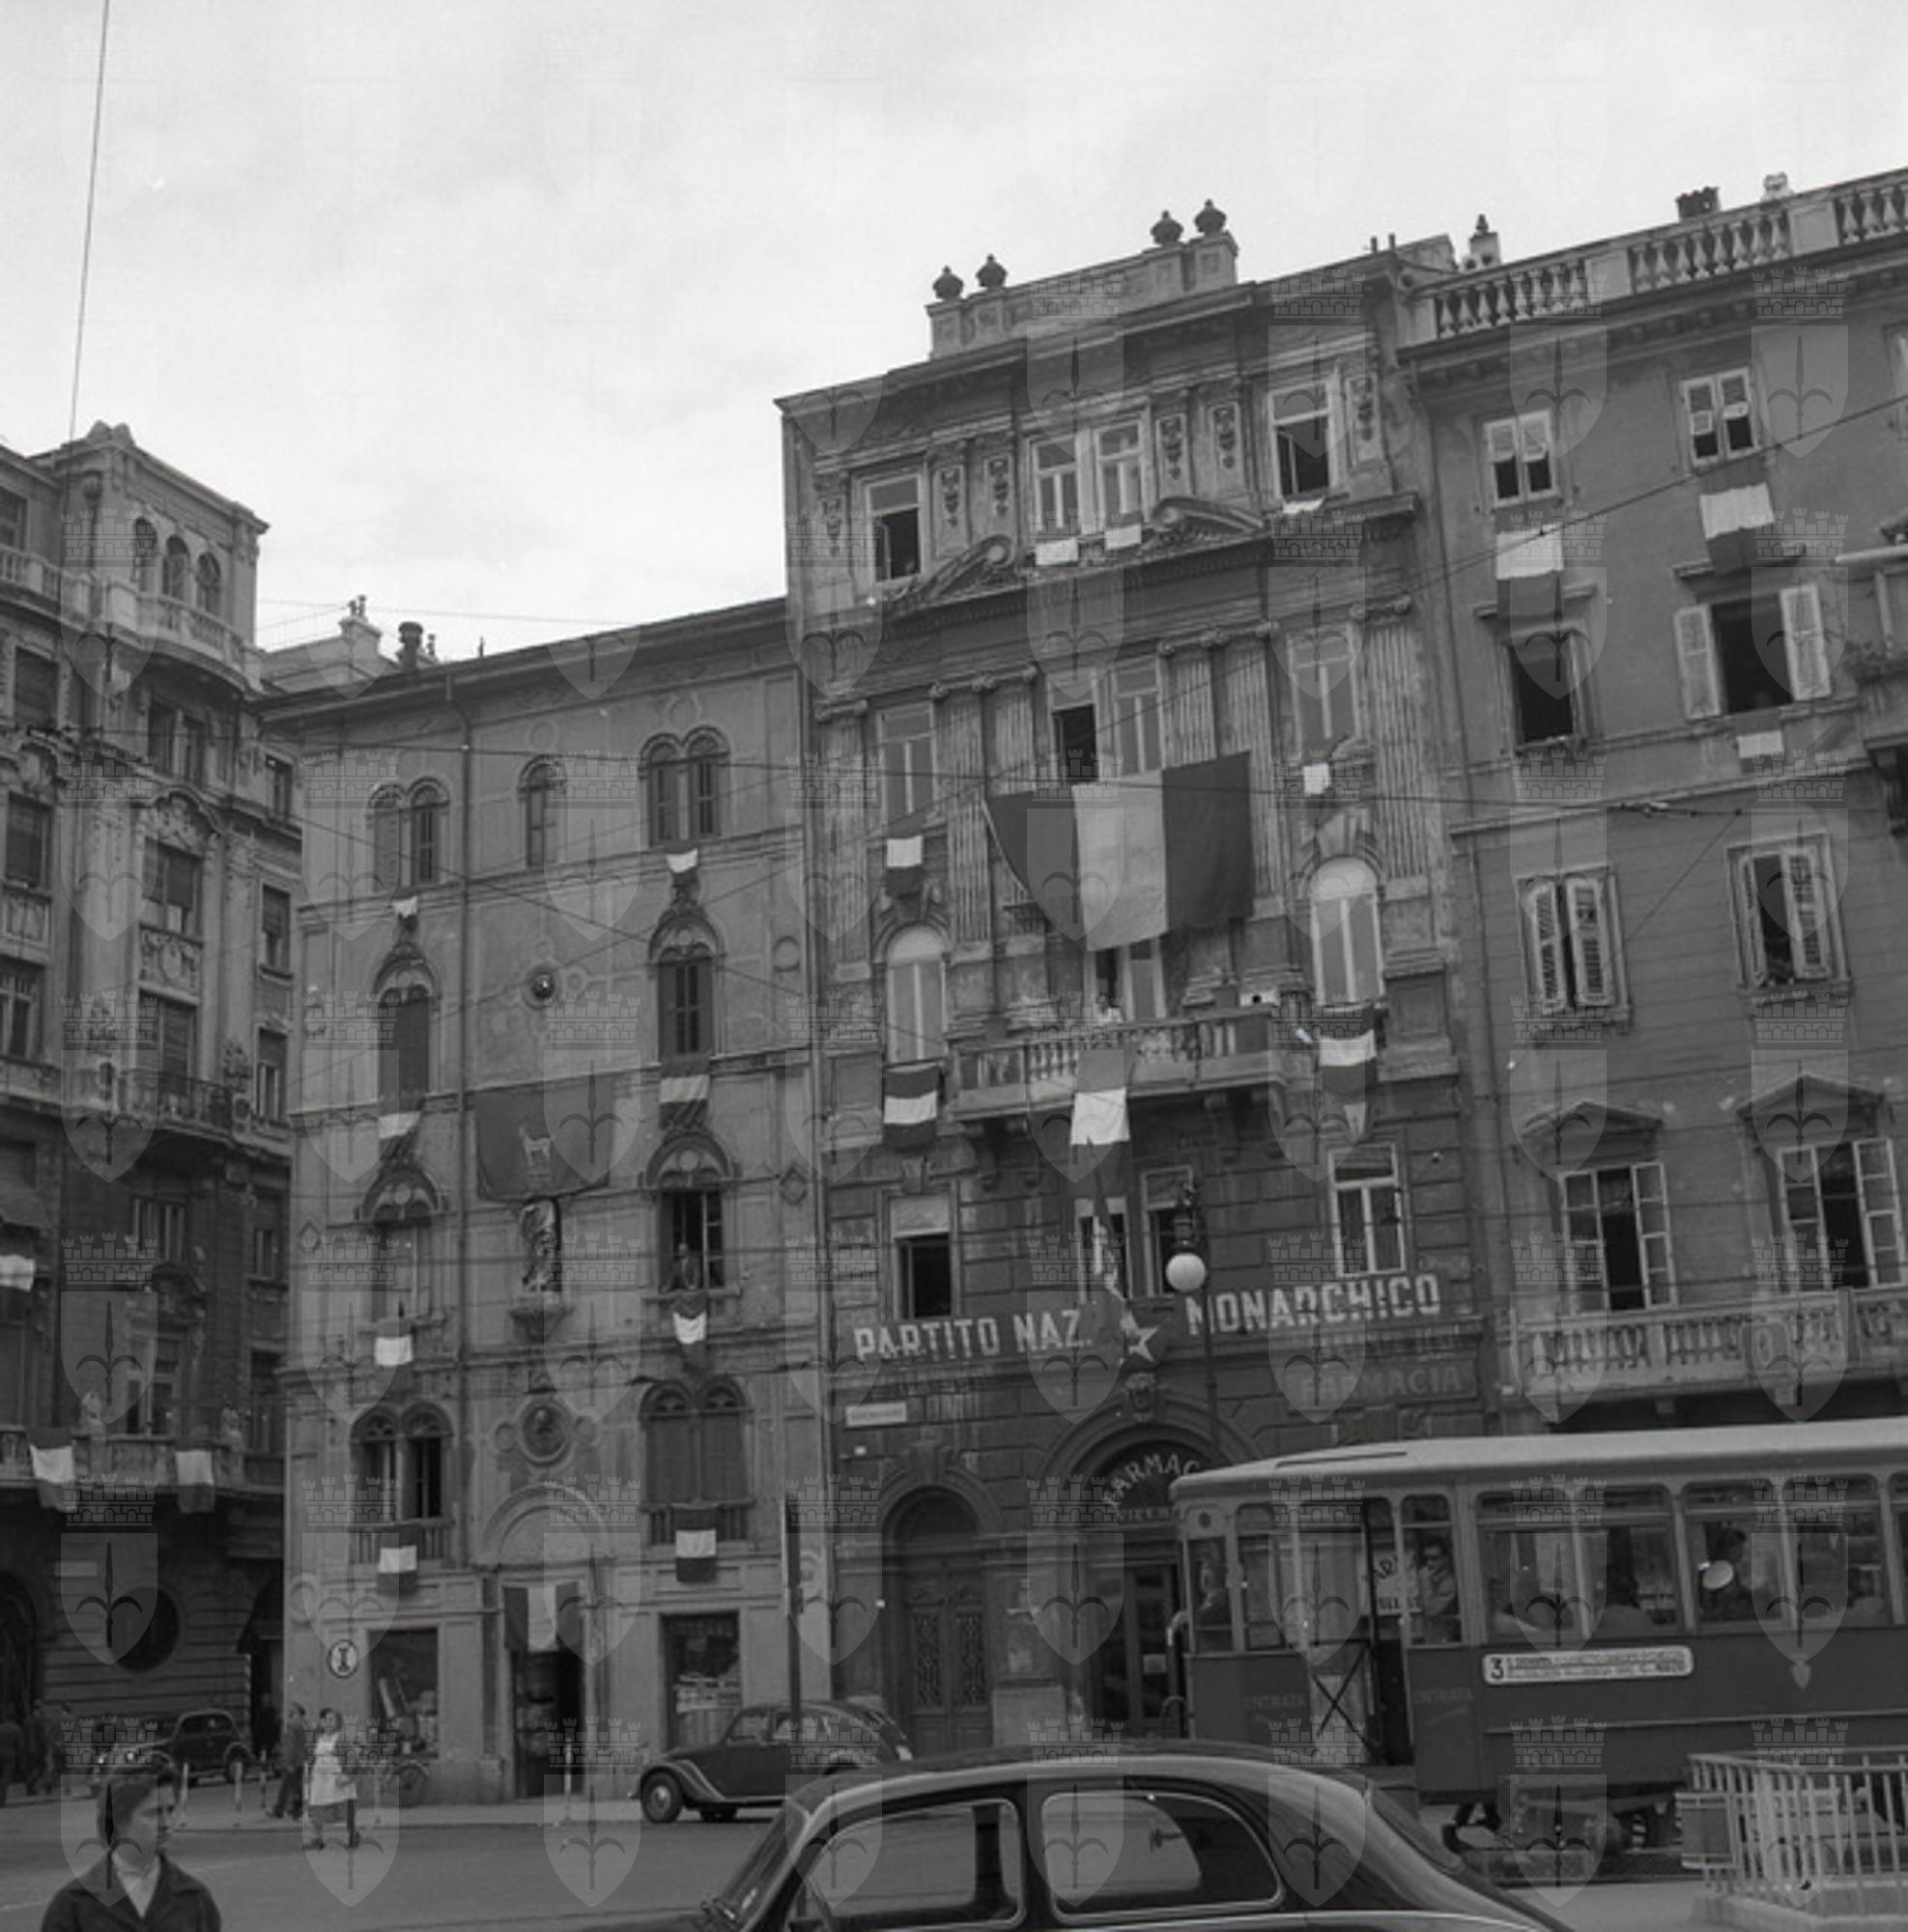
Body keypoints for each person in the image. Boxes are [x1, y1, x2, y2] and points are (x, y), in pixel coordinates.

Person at [40, 1767, 221, 1930]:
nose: (166, 1823)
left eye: (170, 1810)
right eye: (154, 1813)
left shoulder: (194, 1898)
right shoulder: (74, 1905)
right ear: (120, 1820)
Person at [304, 1709, 357, 1851]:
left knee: (345, 1809)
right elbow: (311, 1759)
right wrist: (308, 1774)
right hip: (319, 1781)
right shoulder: (317, 1739)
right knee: (316, 1809)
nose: (328, 1723)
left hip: (337, 1780)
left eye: (332, 1720)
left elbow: (352, 1757)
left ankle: (353, 1834)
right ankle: (317, 1838)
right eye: (325, 1720)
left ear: (338, 1722)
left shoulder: (341, 1739)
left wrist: (346, 1775)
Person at [1414, 1539, 1461, 1641]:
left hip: (1450, 1641)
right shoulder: (1434, 1579)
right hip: (1433, 1638)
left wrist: (1425, 1579)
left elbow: (1430, 1610)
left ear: (1446, 1558)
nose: (1429, 1563)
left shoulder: (1449, 1582)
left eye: (1434, 1558)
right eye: (1426, 1559)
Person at [271, 1704, 307, 1822]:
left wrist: (288, 1762)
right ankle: (290, 1809)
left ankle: (283, 1809)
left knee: (288, 1787)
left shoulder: (293, 1727)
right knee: (296, 1787)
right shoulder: (305, 1727)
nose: (290, 1714)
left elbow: (291, 1747)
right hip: (300, 1761)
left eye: (293, 1712)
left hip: (294, 1762)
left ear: (300, 1714)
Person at [0, 1710, 22, 1805]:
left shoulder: (0, 1728)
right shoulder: (16, 1728)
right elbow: (20, 1744)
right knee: (5, 1777)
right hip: (10, 1754)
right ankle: (2, 1799)